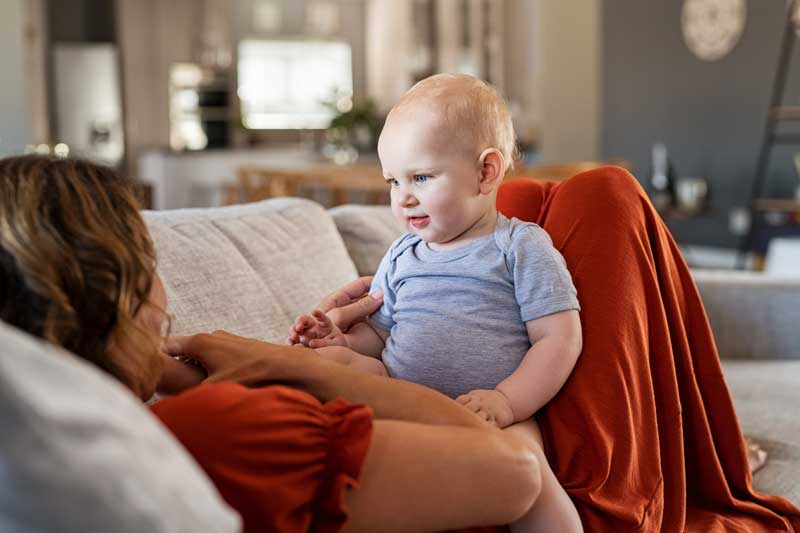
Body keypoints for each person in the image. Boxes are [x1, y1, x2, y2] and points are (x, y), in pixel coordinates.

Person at [0, 155, 541, 532]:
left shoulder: (90, 447)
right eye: (150, 263)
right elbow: (515, 473)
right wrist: (289, 363)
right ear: (117, 288)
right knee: (592, 197)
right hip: (516, 472)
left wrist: (152, 368)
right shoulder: (216, 430)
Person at [288, 73, 583, 532]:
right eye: (393, 182)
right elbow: (380, 333)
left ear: (486, 172)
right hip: (400, 400)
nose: (403, 198)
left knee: (528, 469)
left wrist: (507, 401)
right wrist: (340, 337)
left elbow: (559, 338)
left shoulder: (520, 247)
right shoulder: (402, 254)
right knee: (327, 361)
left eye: (421, 177)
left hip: (493, 414)